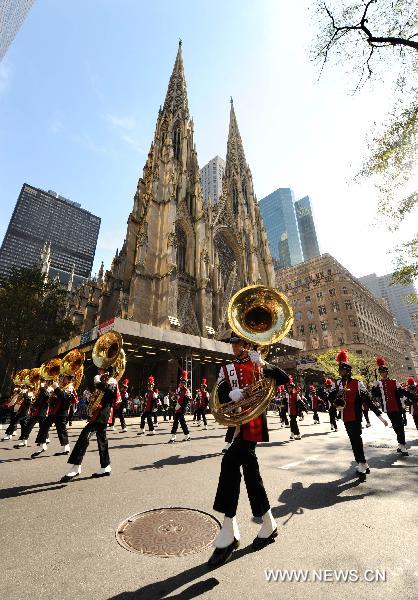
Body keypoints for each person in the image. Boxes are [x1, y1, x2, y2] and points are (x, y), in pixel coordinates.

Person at [208, 336, 289, 569]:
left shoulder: (258, 364)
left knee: (229, 462)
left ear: (247, 345)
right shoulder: (226, 368)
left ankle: (228, 530)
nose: (234, 347)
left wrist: (263, 364)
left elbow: (284, 379)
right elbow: (219, 396)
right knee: (250, 474)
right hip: (238, 425)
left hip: (252, 424)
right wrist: (230, 395)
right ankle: (267, 523)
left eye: (238, 343)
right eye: (232, 344)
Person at [328, 350, 387, 478]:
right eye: (340, 370)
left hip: (355, 416)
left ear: (348, 371)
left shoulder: (358, 383)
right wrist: (336, 393)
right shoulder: (337, 383)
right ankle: (363, 463)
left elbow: (368, 401)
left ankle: (362, 463)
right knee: (353, 440)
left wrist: (380, 416)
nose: (341, 372)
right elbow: (330, 398)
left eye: (343, 370)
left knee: (356, 440)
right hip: (345, 416)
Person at [60, 365, 121, 481]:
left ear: (107, 370)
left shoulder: (111, 380)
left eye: (101, 369)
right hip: (100, 414)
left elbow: (110, 390)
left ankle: (76, 467)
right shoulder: (104, 380)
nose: (98, 371)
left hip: (102, 414)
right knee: (102, 440)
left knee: (84, 437)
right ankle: (105, 466)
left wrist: (98, 383)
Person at [371, 356, 413, 456]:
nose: (383, 373)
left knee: (400, 426)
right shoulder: (378, 383)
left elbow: (403, 392)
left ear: (387, 372)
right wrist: (374, 387)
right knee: (395, 426)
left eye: (384, 372)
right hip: (388, 408)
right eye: (381, 372)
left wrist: (413, 397)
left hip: (397, 407)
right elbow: (375, 395)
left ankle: (402, 445)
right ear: (380, 373)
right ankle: (400, 444)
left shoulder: (394, 382)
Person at [31, 374, 77, 458]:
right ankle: (42, 445)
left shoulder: (70, 387)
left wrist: (56, 388)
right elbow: (50, 395)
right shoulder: (63, 386)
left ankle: (65, 447)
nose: (62, 379)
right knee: (45, 426)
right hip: (55, 411)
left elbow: (64, 397)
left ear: (69, 379)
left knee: (61, 430)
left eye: (65, 378)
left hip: (61, 412)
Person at [14, 378, 50, 448]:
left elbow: (46, 396)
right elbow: (37, 399)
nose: (40, 383)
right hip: (36, 411)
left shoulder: (48, 389)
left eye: (42, 381)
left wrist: (42, 387)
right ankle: (24, 441)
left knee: (42, 427)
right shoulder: (40, 389)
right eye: (41, 381)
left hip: (43, 412)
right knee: (29, 426)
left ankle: (46, 440)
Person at [168, 371, 191, 443]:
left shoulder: (187, 391)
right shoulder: (178, 389)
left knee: (176, 421)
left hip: (182, 408)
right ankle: (187, 435)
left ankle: (173, 436)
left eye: (183, 382)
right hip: (178, 407)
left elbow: (187, 401)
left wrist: (180, 406)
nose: (181, 383)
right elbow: (177, 397)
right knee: (182, 422)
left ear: (185, 383)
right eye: (181, 382)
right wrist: (174, 398)